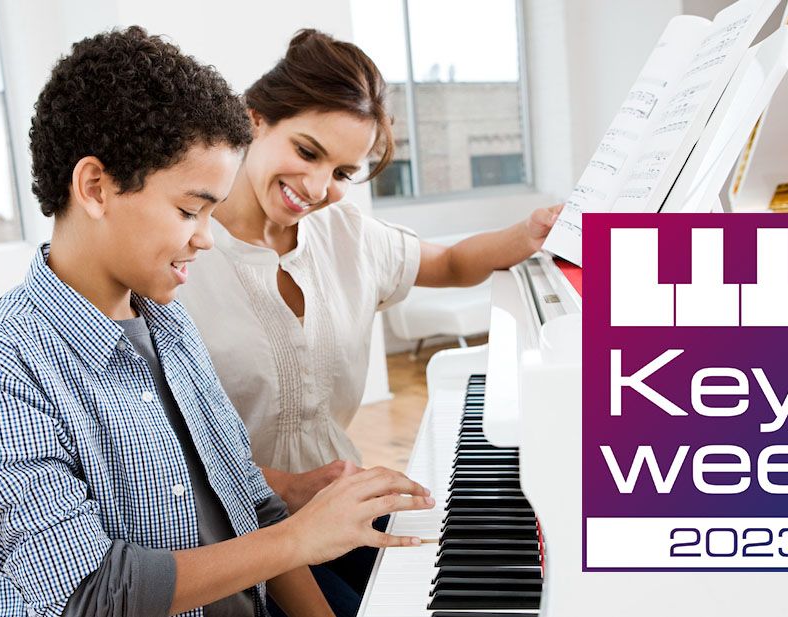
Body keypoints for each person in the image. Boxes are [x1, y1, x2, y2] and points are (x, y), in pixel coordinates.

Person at [0, 26, 433, 617]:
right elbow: (89, 594)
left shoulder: (169, 324)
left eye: (212, 212)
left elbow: (251, 507)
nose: (206, 237)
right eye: (190, 210)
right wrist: (300, 536)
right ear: (96, 186)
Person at [176, 29, 561, 611]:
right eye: (307, 152)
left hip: (337, 508)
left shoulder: (347, 234)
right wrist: (287, 491)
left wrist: (529, 234)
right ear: (254, 121)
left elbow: (453, 263)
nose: (317, 187)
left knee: (446, 565)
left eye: (340, 172)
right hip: (235, 531)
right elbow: (169, 447)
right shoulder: (180, 254)